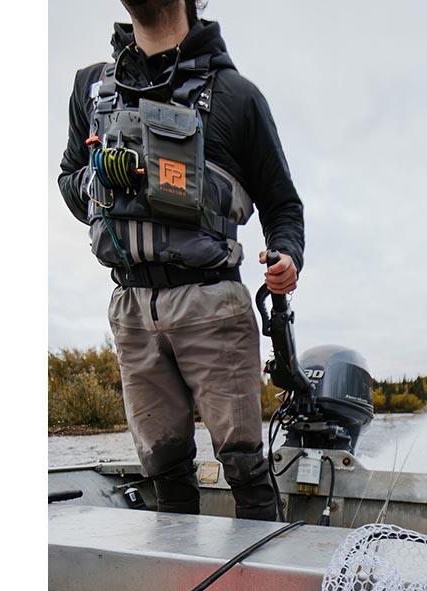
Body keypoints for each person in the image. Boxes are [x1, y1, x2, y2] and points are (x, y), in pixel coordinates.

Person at [58, 0, 303, 519]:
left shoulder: (239, 97)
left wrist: (287, 256)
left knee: (244, 469)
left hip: (214, 303)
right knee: (164, 471)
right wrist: (99, 176)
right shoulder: (88, 90)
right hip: (130, 311)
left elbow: (283, 205)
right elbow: (69, 183)